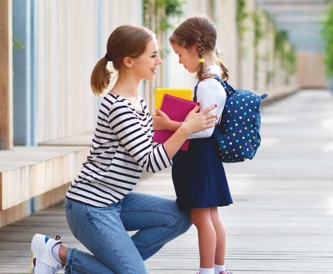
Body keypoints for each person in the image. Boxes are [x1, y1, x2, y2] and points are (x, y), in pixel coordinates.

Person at [30, 24, 218, 274]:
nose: (159, 62)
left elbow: (151, 147)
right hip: (90, 206)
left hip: (116, 200)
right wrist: (184, 129)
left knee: (179, 218)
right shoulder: (118, 107)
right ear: (129, 61)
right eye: (153, 55)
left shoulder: (137, 102)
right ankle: (58, 254)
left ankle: (116, 267)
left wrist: (182, 128)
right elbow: (150, 161)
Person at [152, 15, 233, 274]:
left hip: (198, 160)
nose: (178, 60)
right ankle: (218, 269)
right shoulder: (211, 80)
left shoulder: (208, 84)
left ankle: (207, 270)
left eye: (179, 53)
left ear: (194, 47)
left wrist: (169, 125)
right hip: (203, 160)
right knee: (211, 217)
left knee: (201, 218)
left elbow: (204, 130)